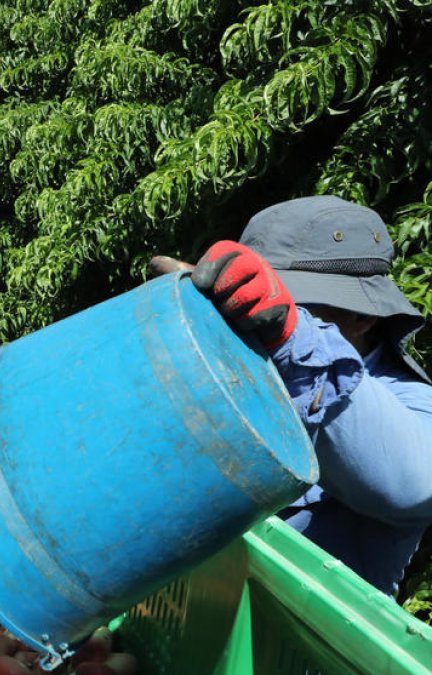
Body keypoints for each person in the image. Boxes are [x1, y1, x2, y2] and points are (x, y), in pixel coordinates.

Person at [153, 195, 432, 596]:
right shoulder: (249, 382)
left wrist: (289, 332)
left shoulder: (411, 402)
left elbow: (411, 484)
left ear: (363, 316)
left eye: (288, 302)